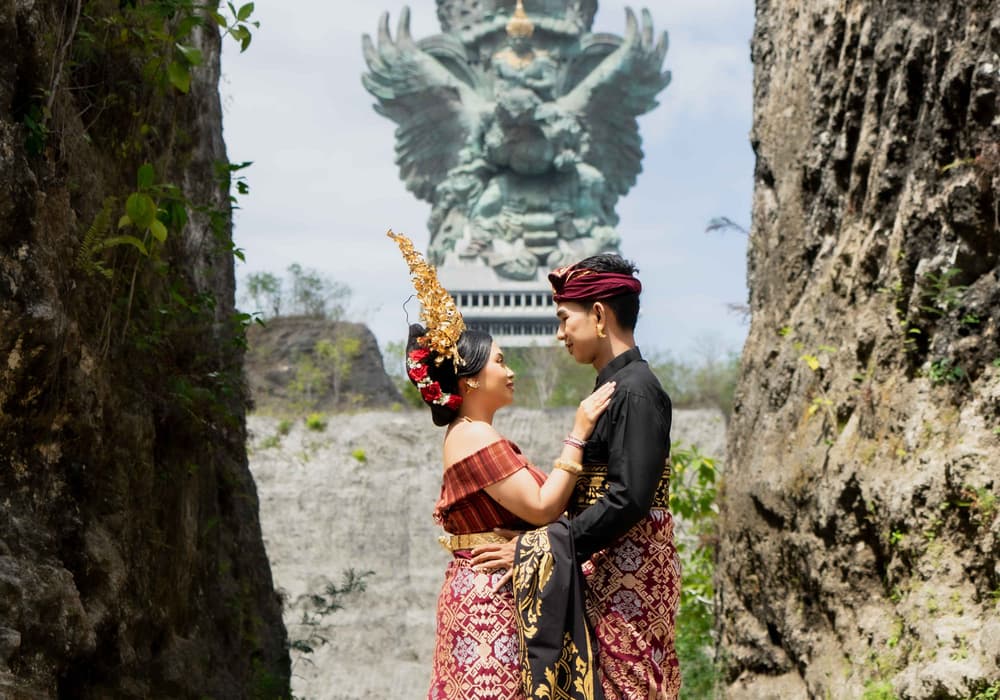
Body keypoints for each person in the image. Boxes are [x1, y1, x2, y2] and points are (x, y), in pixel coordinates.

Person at [388, 231, 613, 700]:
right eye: (500, 361)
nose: (510, 371)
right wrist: (579, 430)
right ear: (470, 379)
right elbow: (542, 507)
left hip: (493, 590)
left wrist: (530, 544)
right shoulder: (472, 435)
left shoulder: (473, 434)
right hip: (488, 601)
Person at [477, 254, 682, 699]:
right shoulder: (614, 389)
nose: (559, 333)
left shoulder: (638, 391)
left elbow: (628, 500)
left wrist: (538, 546)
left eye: (564, 319)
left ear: (599, 315)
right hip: (608, 574)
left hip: (630, 581)